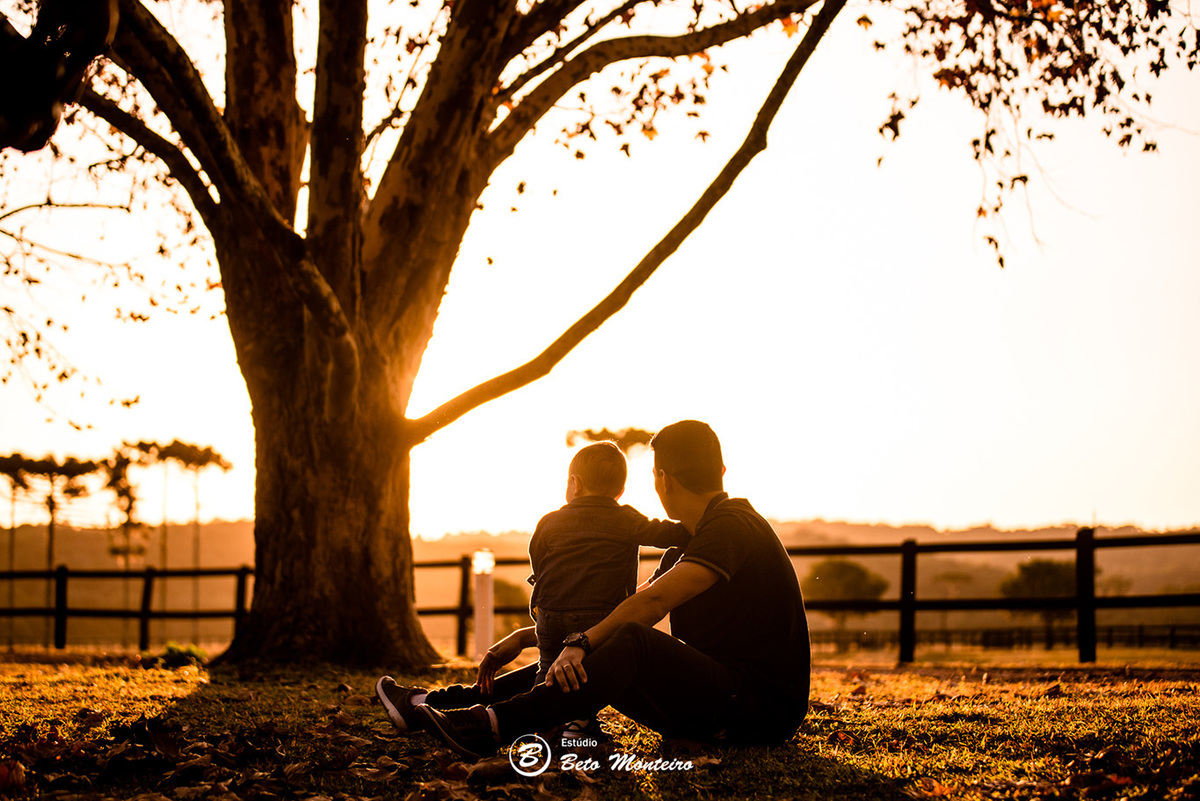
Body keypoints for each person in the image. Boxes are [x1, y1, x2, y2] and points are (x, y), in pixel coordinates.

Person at [378, 420, 811, 760]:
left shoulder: (731, 526)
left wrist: (580, 640)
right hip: (722, 701)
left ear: (661, 479)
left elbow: (652, 603)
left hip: (759, 711)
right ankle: (429, 705)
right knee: (597, 649)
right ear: (720, 471)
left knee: (626, 643)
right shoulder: (697, 541)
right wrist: (533, 636)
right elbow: (621, 611)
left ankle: (491, 724)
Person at [376, 440, 688, 733]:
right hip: (598, 619)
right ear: (620, 490)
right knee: (572, 676)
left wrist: (547, 601)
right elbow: (666, 534)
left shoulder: (549, 521)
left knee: (548, 671)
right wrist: (695, 530)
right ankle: (573, 725)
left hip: (550, 615)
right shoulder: (627, 519)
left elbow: (539, 561)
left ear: (575, 483)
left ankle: (542, 723)